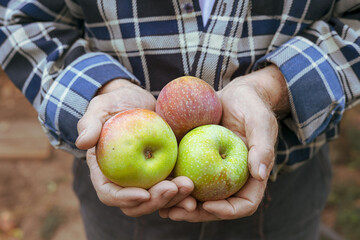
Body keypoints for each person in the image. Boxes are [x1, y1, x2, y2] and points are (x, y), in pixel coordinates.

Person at [1, 0, 359, 239]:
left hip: (283, 187)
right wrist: (102, 89)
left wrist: (272, 90)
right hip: (126, 195)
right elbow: (19, 17)